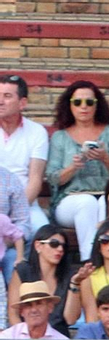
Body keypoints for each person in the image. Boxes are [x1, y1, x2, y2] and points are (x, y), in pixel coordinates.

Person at [45, 81, 109, 254]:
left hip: (105, 196)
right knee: (87, 202)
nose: (83, 107)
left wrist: (105, 158)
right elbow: (52, 178)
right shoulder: (60, 137)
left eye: (89, 102)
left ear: (97, 105)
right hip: (70, 200)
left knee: (106, 203)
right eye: (77, 102)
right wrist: (72, 167)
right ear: (70, 105)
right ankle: (90, 262)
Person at [0, 75, 48, 237]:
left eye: (7, 96)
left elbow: (35, 180)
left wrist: (14, 212)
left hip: (25, 205)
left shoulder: (36, 132)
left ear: (22, 103)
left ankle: (24, 263)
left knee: (43, 234)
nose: (0, 101)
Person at [7, 225, 72, 332]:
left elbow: (70, 320)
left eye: (63, 246)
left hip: (59, 338)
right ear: (38, 246)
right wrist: (26, 338)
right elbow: (13, 314)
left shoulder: (69, 276)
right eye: (54, 244)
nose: (60, 249)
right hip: (25, 336)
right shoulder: (22, 271)